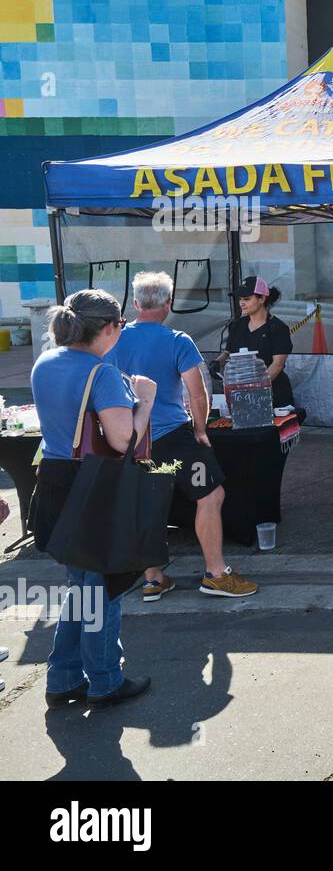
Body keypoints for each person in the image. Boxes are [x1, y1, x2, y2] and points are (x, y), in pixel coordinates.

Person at [29, 289, 156, 708]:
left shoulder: (45, 363)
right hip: (93, 486)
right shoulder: (100, 373)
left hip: (53, 481)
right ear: (108, 327)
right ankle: (104, 680)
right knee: (103, 587)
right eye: (119, 325)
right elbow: (124, 440)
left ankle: (64, 676)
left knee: (82, 586)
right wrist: (146, 401)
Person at [107, 272, 257, 601]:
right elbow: (198, 393)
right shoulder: (177, 340)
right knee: (211, 495)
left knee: (147, 504)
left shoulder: (113, 338)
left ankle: (152, 578)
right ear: (169, 303)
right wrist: (201, 430)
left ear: (134, 304)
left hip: (129, 438)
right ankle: (216, 574)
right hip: (171, 436)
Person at [213, 276, 294, 408]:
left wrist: (256, 387)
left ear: (262, 299)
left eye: (247, 299)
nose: (241, 303)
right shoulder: (237, 325)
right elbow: (228, 352)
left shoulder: (278, 328)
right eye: (240, 299)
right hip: (242, 393)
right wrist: (216, 363)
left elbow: (278, 364)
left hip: (274, 395)